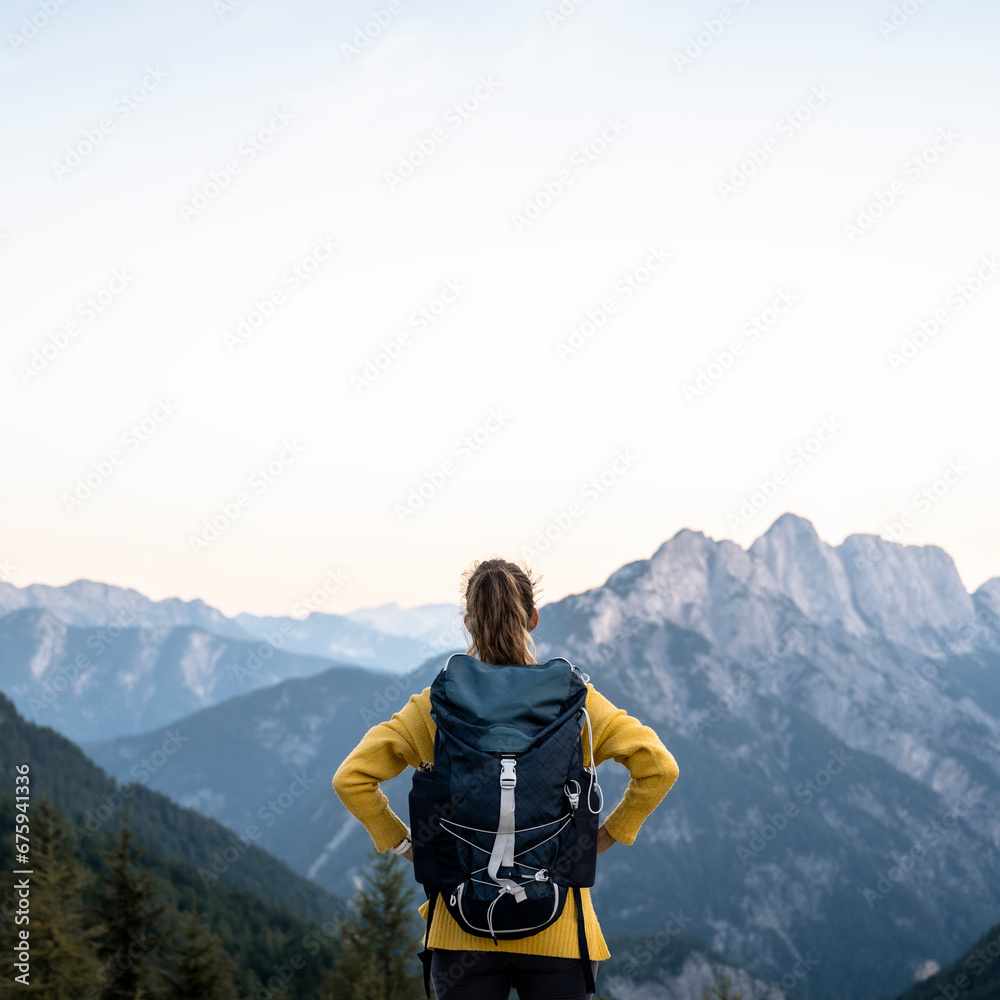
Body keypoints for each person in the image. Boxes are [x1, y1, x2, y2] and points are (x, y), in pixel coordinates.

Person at [333, 557, 679, 1000]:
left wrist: (408, 846)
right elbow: (659, 767)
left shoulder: (433, 708)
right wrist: (604, 838)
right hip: (560, 928)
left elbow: (352, 779)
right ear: (532, 619)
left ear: (468, 623)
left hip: (460, 928)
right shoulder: (578, 706)